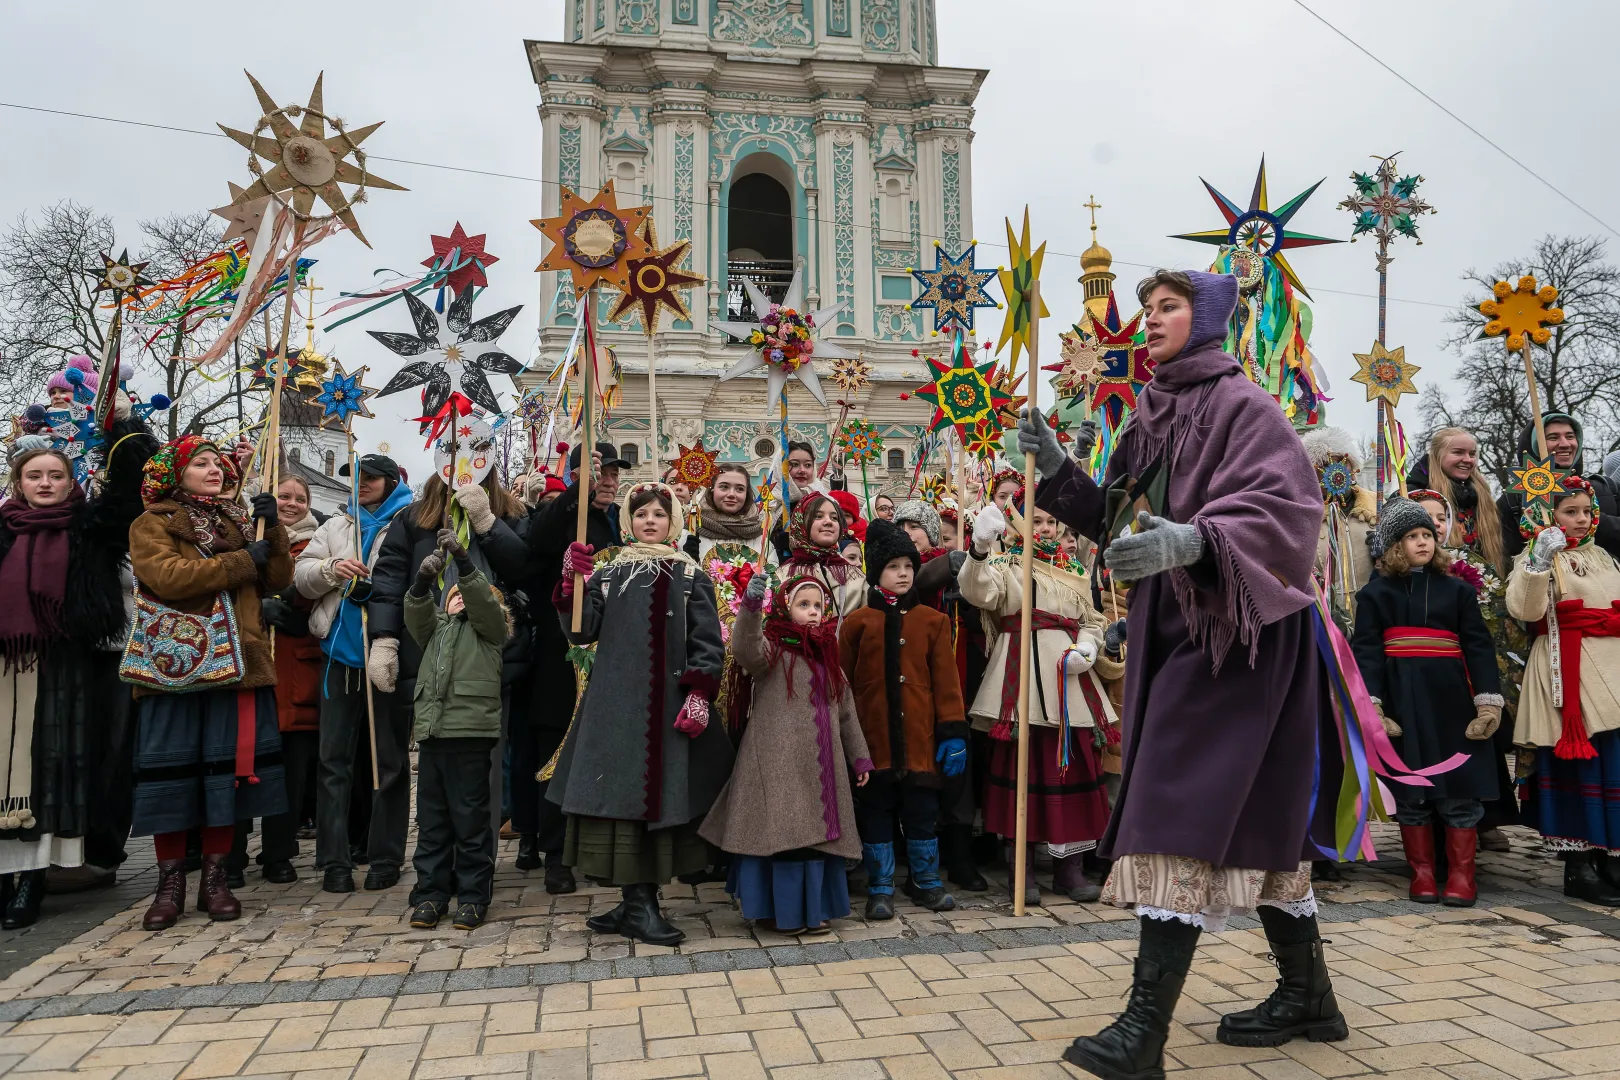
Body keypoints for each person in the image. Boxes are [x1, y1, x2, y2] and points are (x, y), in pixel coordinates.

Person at [1022, 269, 1345, 1076]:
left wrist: (1196, 542)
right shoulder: (1152, 409)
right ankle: (1311, 996)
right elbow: (1121, 522)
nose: (1153, 317)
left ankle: (1142, 1033)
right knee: (1256, 818)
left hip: (1244, 636)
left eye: (1169, 306)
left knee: (1177, 807)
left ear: (1203, 318)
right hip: (1185, 633)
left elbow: (1286, 512)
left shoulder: (1246, 404)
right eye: (1148, 307)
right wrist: (1062, 469)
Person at [547, 482, 731, 945]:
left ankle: (643, 900)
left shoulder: (691, 576)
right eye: (642, 513)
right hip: (617, 708)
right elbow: (581, 632)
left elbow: (708, 644)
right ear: (628, 520)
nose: (651, 520)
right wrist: (573, 584)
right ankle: (632, 901)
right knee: (620, 798)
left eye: (660, 514)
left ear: (674, 522)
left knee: (658, 799)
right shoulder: (609, 572)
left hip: (667, 709)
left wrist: (698, 693)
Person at [128, 436, 293, 930]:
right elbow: (169, 576)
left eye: (218, 463)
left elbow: (278, 580)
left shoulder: (240, 520)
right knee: (172, 777)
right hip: (176, 665)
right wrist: (245, 559)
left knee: (225, 774)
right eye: (201, 463)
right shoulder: (153, 522)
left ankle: (216, 878)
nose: (215, 469)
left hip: (237, 665)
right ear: (175, 472)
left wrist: (275, 531)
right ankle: (170, 881)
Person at [0, 405, 155, 927]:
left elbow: (129, 492)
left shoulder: (88, 530)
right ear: (18, 483)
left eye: (56, 475)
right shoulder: (2, 532)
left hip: (67, 666)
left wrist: (125, 431)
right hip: (9, 669)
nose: (45, 483)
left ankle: (32, 879)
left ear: (71, 481)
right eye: (34, 475)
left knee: (52, 767)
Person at [370, 463, 531, 862]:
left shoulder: (511, 514)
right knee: (436, 773)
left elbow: (524, 569)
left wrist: (486, 523)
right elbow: (390, 578)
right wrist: (385, 638)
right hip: (431, 656)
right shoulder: (413, 519)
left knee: (485, 771)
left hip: (491, 658)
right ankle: (436, 865)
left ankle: (478, 864)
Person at [958, 499, 1114, 905]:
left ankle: (1070, 869)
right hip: (1022, 677)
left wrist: (1088, 646)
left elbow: (1091, 620)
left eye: (1049, 522)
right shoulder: (1005, 564)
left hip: (1070, 681)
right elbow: (978, 595)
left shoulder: (1074, 569)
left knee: (1074, 769)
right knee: (1022, 774)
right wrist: (978, 549)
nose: (1042, 528)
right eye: (1035, 520)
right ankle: (1020, 871)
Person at [1351, 498, 1502, 907]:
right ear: (1392, 546)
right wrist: (1374, 705)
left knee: (1458, 790)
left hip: (1451, 700)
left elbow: (1479, 647)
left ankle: (1461, 875)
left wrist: (1487, 702)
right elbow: (1366, 653)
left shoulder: (1457, 591)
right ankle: (1420, 874)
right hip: (1402, 703)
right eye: (1412, 536)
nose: (1423, 542)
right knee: (1412, 790)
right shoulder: (1375, 595)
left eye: (1428, 535)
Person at [701, 575, 872, 935]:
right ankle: (779, 911)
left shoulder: (830, 661)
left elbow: (846, 714)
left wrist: (860, 757)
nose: (812, 612)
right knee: (780, 838)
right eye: (803, 605)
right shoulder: (773, 652)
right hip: (777, 765)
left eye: (818, 606)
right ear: (785, 608)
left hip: (821, 769)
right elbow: (745, 647)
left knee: (818, 841)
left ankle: (813, 909)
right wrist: (750, 607)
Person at [295, 454, 413, 893]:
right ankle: (334, 859)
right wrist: (331, 570)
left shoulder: (409, 520)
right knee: (333, 761)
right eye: (355, 477)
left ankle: (385, 855)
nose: (361, 484)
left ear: (392, 480)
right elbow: (302, 575)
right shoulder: (336, 525)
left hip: (388, 654)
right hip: (340, 655)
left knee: (388, 761)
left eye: (372, 477)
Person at [839, 519, 966, 919]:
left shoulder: (933, 621)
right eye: (894, 567)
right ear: (877, 572)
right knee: (877, 812)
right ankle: (880, 885)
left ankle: (925, 880)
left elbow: (947, 683)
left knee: (920, 812)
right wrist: (848, 739)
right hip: (873, 740)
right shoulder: (858, 623)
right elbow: (844, 684)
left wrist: (952, 731)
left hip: (920, 739)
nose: (903, 574)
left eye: (909, 567)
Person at [1507, 478, 1620, 904]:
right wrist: (1538, 561)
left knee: (1613, 765)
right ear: (1549, 514)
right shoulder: (1538, 556)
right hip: (1565, 673)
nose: (1581, 520)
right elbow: (1525, 610)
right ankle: (1579, 865)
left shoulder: (1604, 556)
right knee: (1578, 767)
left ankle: (1612, 859)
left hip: (1612, 669)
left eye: (1587, 512)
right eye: (1570, 511)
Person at [405, 529, 510, 931]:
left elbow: (484, 603)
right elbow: (416, 611)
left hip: (470, 735)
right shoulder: (436, 629)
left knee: (470, 820)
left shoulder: (489, 631)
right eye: (453, 594)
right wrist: (423, 582)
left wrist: (465, 564)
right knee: (431, 821)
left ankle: (472, 894)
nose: (459, 597)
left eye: (465, 592)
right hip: (434, 734)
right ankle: (431, 893)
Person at [231, 475, 323, 886]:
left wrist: (291, 605)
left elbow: (310, 590)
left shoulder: (315, 540)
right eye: (283, 496)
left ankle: (279, 852)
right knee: (238, 762)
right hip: (246, 668)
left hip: (291, 670)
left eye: (299, 499)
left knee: (289, 768)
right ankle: (230, 853)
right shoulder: (239, 535)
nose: (291, 504)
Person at [509, 475, 576, 894]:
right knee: (540, 757)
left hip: (588, 662)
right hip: (546, 659)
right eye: (548, 500)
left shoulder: (605, 525)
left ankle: (575, 846)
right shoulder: (539, 532)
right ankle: (541, 841)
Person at [1498, 413, 1620, 562]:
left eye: (1570, 436)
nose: (1565, 444)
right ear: (1535, 444)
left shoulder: (1602, 488)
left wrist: (1589, 519)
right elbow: (1502, 557)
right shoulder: (1513, 500)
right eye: (1553, 438)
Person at [1302, 426, 1376, 633]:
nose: (1334, 470)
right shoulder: (1302, 518)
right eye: (1323, 465)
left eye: (1339, 461)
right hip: (1325, 626)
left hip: (1375, 622)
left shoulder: (1378, 509)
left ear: (1352, 465)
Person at [780, 494, 867, 623]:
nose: (828, 522)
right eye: (818, 516)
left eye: (834, 518)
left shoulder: (856, 576)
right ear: (801, 522)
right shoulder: (781, 575)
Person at [683, 463, 772, 566]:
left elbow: (773, 574)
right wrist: (684, 560)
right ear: (712, 490)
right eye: (724, 487)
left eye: (739, 489)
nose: (731, 494)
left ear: (746, 494)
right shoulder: (693, 530)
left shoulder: (760, 536)